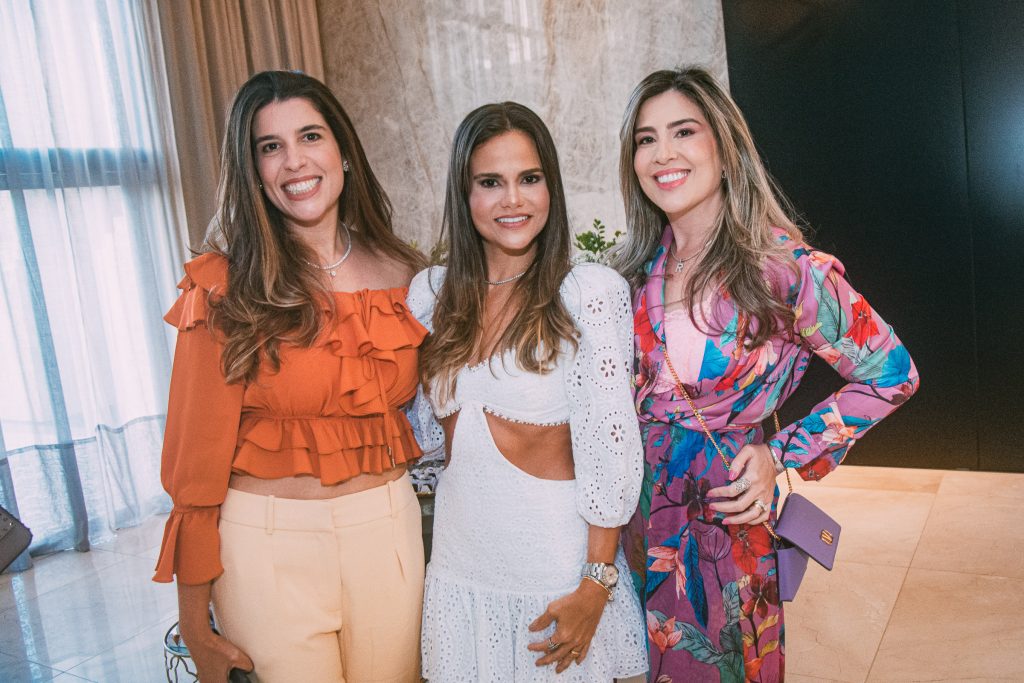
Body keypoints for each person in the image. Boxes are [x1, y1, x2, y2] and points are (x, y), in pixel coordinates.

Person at [612, 67, 919, 681]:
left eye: (683, 132)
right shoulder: (629, 273)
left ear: (725, 150)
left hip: (725, 524)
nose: (662, 154)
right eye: (645, 139)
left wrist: (779, 452)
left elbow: (892, 371)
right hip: (639, 524)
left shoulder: (783, 270)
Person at [153, 70, 429, 683]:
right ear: (251, 169)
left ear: (343, 152)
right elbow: (194, 464)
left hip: (389, 531)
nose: (294, 161)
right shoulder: (225, 282)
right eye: (269, 146)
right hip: (266, 548)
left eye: (310, 136)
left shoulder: (409, 273)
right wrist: (196, 627)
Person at [407, 102, 648, 681]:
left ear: (551, 188)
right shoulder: (430, 295)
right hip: (459, 574)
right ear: (464, 195)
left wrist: (595, 585)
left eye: (529, 179)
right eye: (490, 182)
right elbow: (421, 442)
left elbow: (611, 455)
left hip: (558, 580)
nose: (512, 199)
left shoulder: (588, 293)